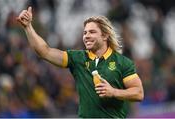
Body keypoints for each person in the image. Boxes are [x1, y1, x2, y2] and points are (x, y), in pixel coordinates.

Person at [16, 6, 144, 118]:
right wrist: (28, 27)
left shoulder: (122, 63)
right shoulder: (77, 58)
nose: (86, 36)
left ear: (105, 36)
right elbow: (45, 52)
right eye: (85, 33)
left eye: (92, 32)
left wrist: (113, 92)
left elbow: (138, 93)